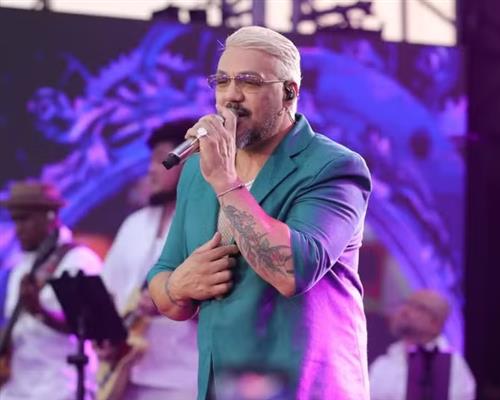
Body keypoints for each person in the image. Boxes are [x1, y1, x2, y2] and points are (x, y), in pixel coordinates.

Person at [147, 26, 372, 400]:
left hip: (303, 387)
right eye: (222, 81)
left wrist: (226, 181)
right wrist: (178, 286)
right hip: (222, 386)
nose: (231, 95)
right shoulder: (198, 170)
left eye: (249, 82)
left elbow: (291, 271)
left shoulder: (333, 167)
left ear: (289, 92)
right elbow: (163, 274)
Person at [99, 120, 198, 400]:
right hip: (124, 374)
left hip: (183, 379)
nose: (151, 170)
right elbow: (109, 292)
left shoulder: (210, 224)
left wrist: (173, 304)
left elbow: (230, 311)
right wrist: (105, 337)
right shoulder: (134, 224)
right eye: (150, 161)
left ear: (189, 162)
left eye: (161, 160)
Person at [0, 181, 102, 400]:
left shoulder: (79, 261)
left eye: (24, 219)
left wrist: (40, 312)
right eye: (15, 220)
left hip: (60, 388)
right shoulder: (20, 266)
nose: (18, 229)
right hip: (16, 389)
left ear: (49, 216)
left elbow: (92, 328)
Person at [369, 289, 476, 400]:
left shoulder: (452, 367)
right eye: (406, 304)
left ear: (435, 323)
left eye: (418, 307)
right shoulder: (383, 363)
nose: (405, 311)